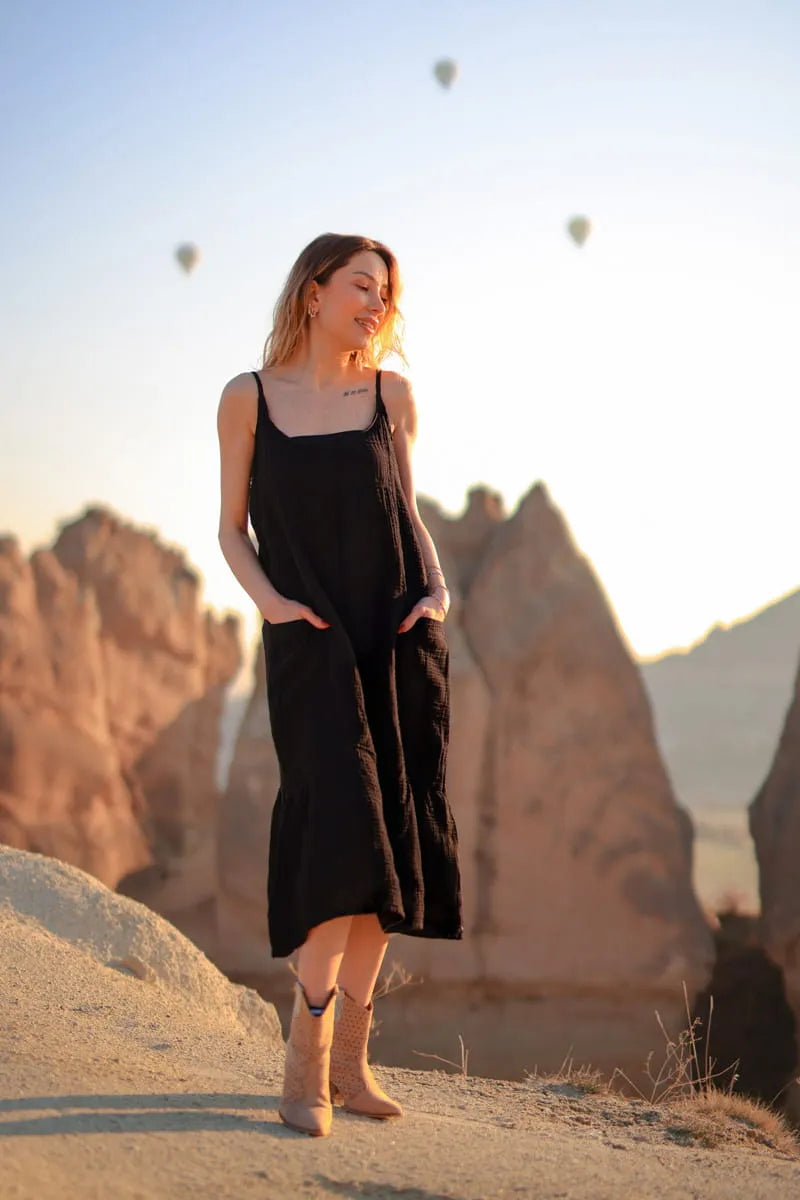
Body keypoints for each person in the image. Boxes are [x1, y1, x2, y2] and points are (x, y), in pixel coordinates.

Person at [216, 232, 463, 1137]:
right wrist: (275, 606)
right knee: (338, 828)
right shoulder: (248, 400)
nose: (375, 305)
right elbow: (230, 529)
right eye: (362, 286)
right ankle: (304, 1062)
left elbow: (407, 508)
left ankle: (354, 1067)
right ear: (313, 291)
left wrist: (437, 590)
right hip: (308, 639)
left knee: (390, 837)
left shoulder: (390, 396)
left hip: (395, 629)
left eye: (386, 294)